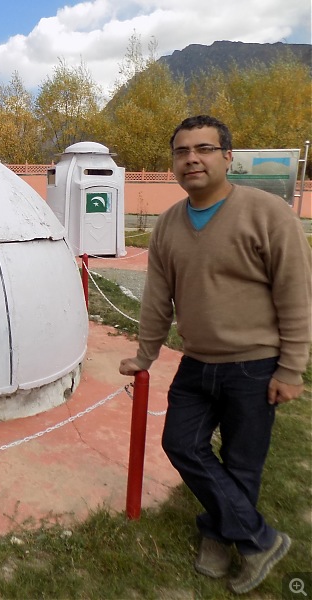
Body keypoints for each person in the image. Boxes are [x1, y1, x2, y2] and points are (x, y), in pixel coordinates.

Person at [119, 115, 312, 595]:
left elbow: (295, 295)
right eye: (182, 152)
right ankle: (258, 539)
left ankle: (218, 537)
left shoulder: (269, 214)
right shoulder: (167, 226)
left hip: (256, 363)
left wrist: (291, 368)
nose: (192, 159)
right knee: (181, 444)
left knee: (243, 461)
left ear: (228, 156)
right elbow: (157, 298)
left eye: (203, 149)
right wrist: (144, 355)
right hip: (197, 361)